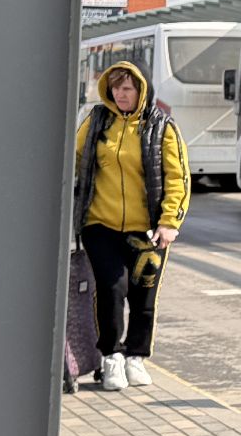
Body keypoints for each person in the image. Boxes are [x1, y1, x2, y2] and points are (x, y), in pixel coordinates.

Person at [72, 61, 190, 391]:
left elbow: (177, 178)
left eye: (127, 88)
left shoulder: (162, 127)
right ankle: (111, 355)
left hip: (147, 230)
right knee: (111, 290)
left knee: (143, 296)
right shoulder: (97, 122)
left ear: (141, 91)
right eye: (115, 88)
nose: (120, 94)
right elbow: (73, 158)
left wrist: (169, 223)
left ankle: (136, 356)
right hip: (101, 224)